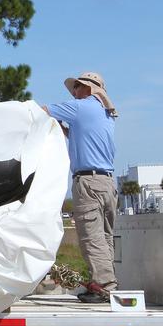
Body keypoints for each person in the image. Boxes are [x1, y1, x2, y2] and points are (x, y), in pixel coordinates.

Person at [43, 71, 118, 304]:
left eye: (76, 87)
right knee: (105, 238)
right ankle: (108, 284)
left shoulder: (82, 107)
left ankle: (104, 288)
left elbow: (42, 111)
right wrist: (62, 128)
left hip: (88, 182)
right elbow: (78, 135)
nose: (74, 92)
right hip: (107, 182)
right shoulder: (104, 112)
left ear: (88, 88)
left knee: (91, 238)